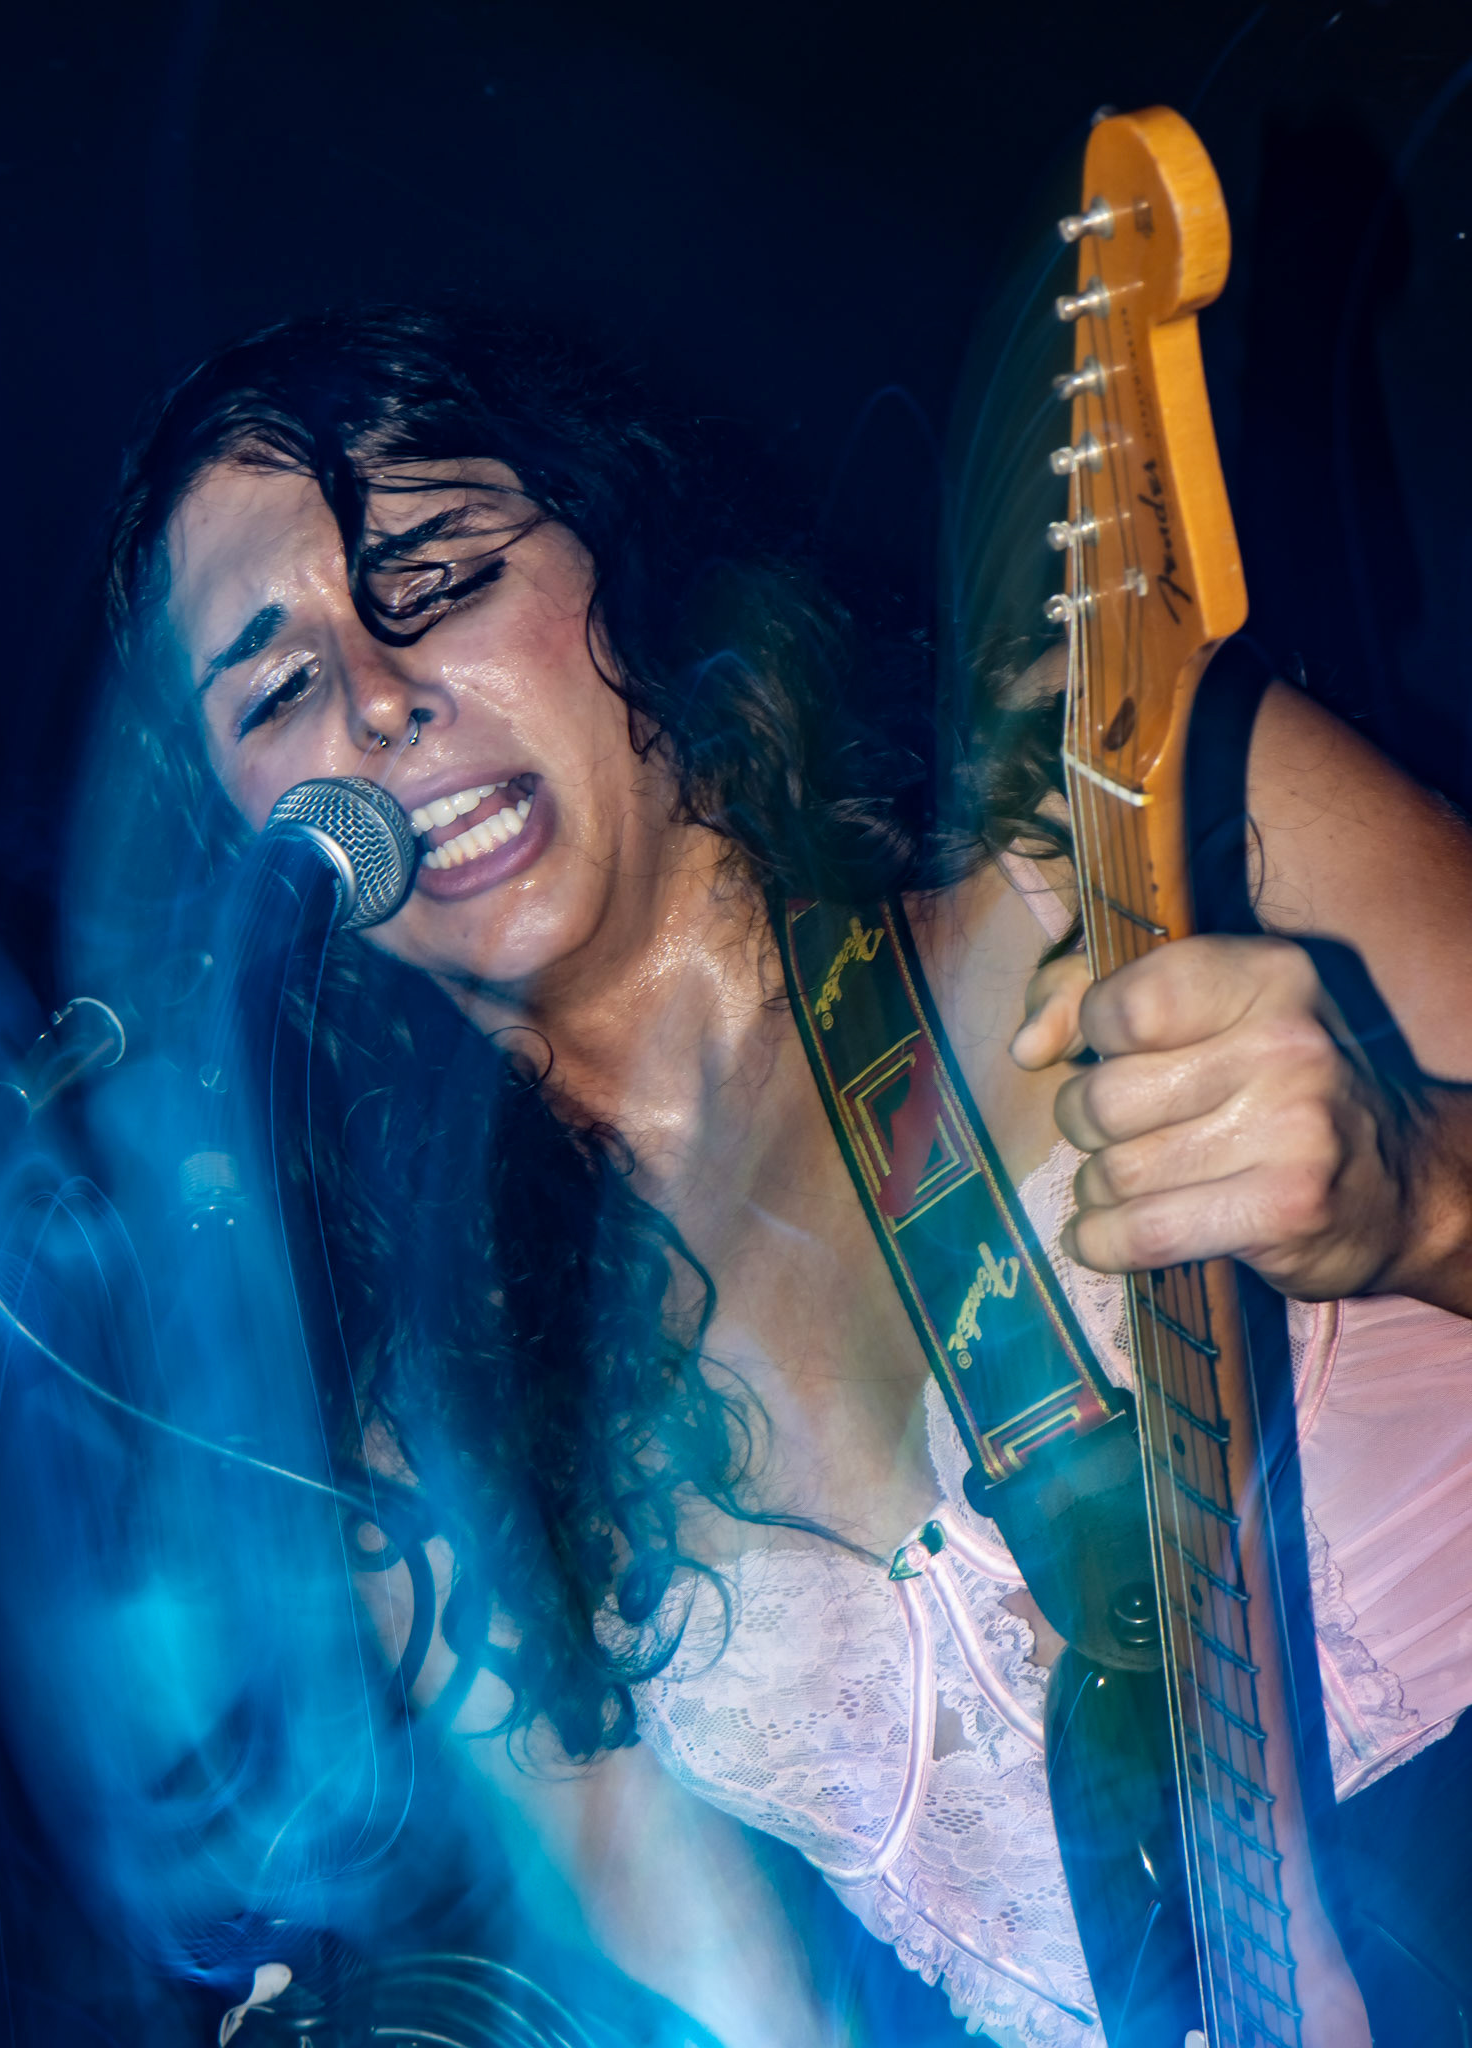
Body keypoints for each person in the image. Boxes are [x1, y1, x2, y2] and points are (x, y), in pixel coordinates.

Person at [83, 302, 1472, 2048]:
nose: (377, 698)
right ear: (248, 845)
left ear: (611, 546)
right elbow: (746, 2015)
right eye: (280, 690)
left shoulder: (1115, 834)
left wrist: (1422, 1192)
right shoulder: (442, 1461)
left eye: (434, 573)